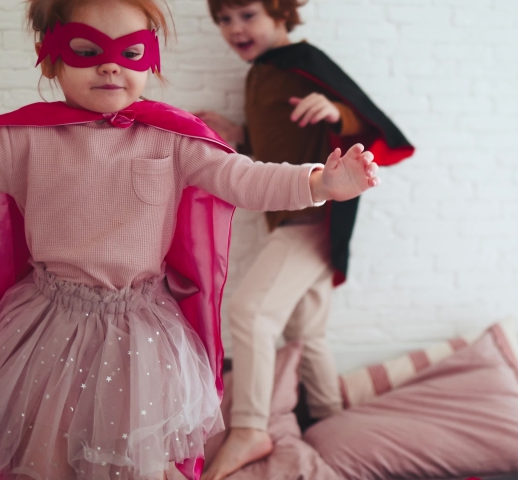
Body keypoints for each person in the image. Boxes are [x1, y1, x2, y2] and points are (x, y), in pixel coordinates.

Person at [0, 0, 380, 478]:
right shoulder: (20, 140)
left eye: (130, 52)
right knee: (46, 456)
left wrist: (319, 182)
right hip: (50, 328)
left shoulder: (173, 139)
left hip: (139, 334)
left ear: (150, 60)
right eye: (87, 51)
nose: (110, 65)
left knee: (136, 457)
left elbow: (245, 180)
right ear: (48, 58)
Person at [193, 1, 413, 478]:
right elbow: (280, 148)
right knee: (307, 332)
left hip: (312, 219)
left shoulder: (304, 61)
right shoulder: (260, 73)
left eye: (247, 15)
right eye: (224, 20)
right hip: (293, 217)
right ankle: (332, 417)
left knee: (251, 312)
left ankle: (250, 427)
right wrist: (240, 136)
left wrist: (337, 111)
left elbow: (369, 123)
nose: (235, 29)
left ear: (279, 11)